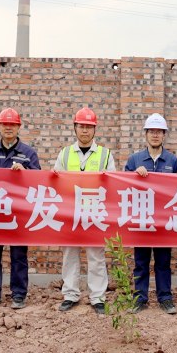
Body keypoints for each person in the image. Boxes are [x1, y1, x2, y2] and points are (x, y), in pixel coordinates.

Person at [0, 108, 40, 314]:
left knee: (18, 255)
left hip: (18, 213)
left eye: (12, 125)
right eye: (5, 124)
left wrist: (26, 172)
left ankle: (19, 294)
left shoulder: (28, 154)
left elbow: (39, 182)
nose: (8, 128)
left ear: (18, 127)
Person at [54, 107, 114, 315]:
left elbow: (112, 184)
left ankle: (97, 297)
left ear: (95, 130)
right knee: (69, 254)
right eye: (81, 126)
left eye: (89, 127)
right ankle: (70, 294)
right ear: (75, 128)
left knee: (95, 256)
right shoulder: (65, 153)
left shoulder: (105, 155)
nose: (85, 131)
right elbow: (56, 182)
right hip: (70, 212)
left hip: (94, 211)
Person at [123, 113, 177, 314]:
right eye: (152, 131)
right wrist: (133, 175)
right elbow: (123, 187)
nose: (155, 135)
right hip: (142, 218)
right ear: (146, 134)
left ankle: (165, 298)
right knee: (141, 261)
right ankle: (140, 298)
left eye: (159, 132)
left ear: (164, 135)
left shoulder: (172, 161)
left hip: (164, 221)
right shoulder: (135, 159)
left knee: (163, 262)